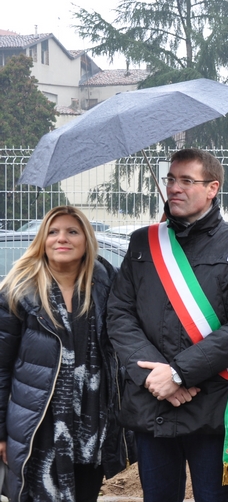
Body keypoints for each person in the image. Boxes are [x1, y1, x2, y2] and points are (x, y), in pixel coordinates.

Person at [107, 148, 228, 502]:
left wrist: (179, 374)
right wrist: (155, 376)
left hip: (211, 404)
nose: (174, 188)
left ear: (212, 188)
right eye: (170, 179)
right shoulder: (143, 243)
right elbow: (119, 314)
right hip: (153, 403)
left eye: (186, 181)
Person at [0, 206, 134, 502]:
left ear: (86, 240)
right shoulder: (18, 291)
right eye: (53, 232)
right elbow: (1, 369)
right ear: (41, 241)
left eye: (72, 231)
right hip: (38, 428)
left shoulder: (107, 284)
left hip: (92, 427)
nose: (62, 239)